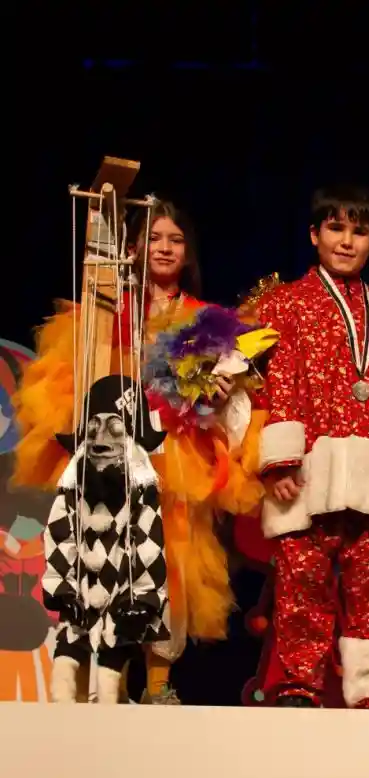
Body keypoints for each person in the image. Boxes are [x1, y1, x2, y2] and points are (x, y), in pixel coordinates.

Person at [13, 199, 264, 703]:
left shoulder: (205, 319)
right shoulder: (106, 312)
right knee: (106, 555)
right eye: (154, 238)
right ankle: (106, 681)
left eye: (175, 239)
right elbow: (69, 380)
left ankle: (158, 683)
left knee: (172, 558)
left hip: (176, 455)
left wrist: (215, 394)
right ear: (132, 247)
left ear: (188, 251)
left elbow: (230, 398)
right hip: (114, 452)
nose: (165, 248)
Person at [254, 184, 369, 709]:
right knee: (302, 576)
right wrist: (280, 460)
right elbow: (278, 382)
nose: (347, 241)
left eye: (359, 231)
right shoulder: (285, 303)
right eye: (336, 228)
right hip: (308, 464)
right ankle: (298, 684)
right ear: (314, 234)